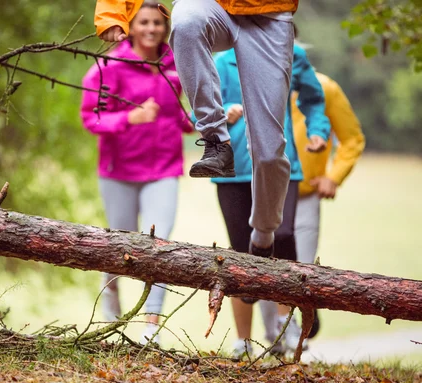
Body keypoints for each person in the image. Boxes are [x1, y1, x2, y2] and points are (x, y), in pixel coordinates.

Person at [94, 0, 327, 266]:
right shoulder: (212, 63)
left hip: (269, 14)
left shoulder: (296, 56)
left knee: (268, 153)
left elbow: (313, 97)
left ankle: (263, 233)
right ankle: (216, 142)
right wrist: (112, 13)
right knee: (185, 20)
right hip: (213, 7)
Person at [81, 0, 193, 344]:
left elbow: (179, 115)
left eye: (158, 23)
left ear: (166, 28)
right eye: (143, 22)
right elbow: (91, 117)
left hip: (163, 169)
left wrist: (207, 123)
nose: (151, 29)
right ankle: (111, 319)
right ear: (130, 26)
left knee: (158, 246)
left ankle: (151, 329)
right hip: (119, 172)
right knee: (117, 247)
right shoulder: (108, 66)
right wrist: (130, 117)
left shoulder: (176, 65)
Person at [210, 44, 330, 357]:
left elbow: (314, 99)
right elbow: (201, 110)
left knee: (284, 236)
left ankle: (287, 322)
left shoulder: (291, 53)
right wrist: (223, 113)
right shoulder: (222, 62)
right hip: (233, 170)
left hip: (281, 165)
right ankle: (243, 342)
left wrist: (318, 130)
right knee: (239, 254)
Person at [293, 73, 366, 274]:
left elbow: (352, 139)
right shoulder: (250, 78)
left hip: (305, 197)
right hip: (257, 194)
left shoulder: (325, 88)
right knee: (261, 277)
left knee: (302, 276)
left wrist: (334, 176)